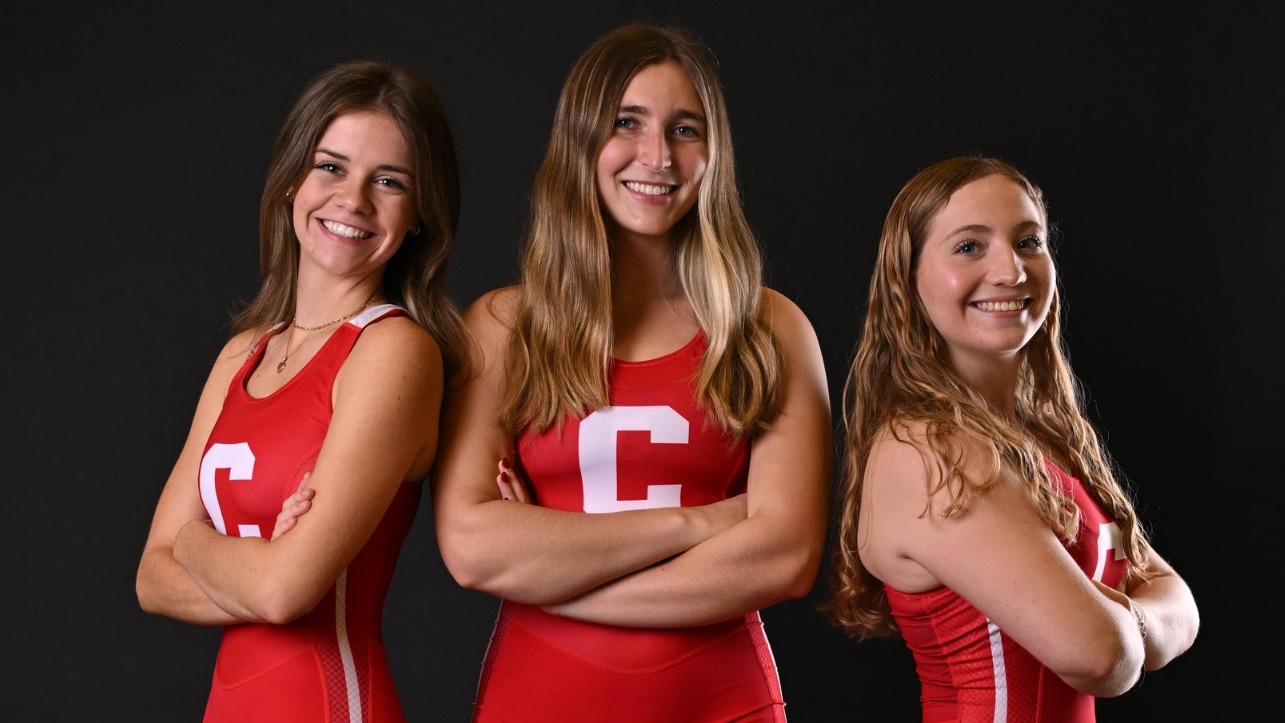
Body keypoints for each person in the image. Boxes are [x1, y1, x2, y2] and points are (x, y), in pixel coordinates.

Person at [430, 23, 832, 723]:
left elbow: (784, 557)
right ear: (581, 139)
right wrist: (702, 520)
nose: (657, 156)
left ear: (714, 154)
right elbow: (471, 548)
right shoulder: (502, 326)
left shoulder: (768, 327)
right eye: (626, 123)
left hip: (722, 702)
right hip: (538, 700)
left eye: (685, 129)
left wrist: (550, 576)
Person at [135, 59, 464, 722]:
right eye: (331, 166)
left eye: (390, 181)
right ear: (290, 181)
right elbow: (149, 578)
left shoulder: (395, 350)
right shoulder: (242, 354)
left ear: (420, 214)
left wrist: (195, 543)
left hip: (329, 701)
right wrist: (258, 566)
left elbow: (285, 591)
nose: (353, 200)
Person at [827, 156, 1200, 721]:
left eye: (1028, 242)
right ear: (908, 278)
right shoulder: (930, 452)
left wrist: (1124, 625)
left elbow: (1184, 607)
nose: (1011, 271)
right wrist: (1133, 628)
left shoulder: (1043, 436)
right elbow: (1101, 657)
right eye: (970, 247)